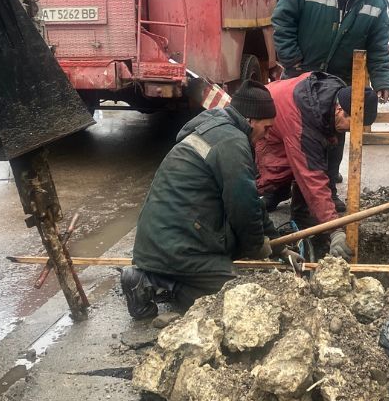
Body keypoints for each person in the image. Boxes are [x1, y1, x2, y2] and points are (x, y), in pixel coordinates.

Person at [120, 82, 292, 319]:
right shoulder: (231, 142)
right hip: (177, 244)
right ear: (251, 120)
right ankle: (150, 281)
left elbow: (250, 198)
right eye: (267, 128)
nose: (267, 135)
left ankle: (157, 276)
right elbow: (243, 207)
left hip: (162, 238)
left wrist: (277, 244)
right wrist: (256, 247)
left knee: (230, 263)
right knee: (231, 293)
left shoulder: (218, 127)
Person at [271, 0, 389, 212]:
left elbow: (378, 43)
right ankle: (278, 187)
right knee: (293, 135)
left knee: (333, 136)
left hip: (339, 79)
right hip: (301, 75)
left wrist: (383, 77)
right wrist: (292, 59)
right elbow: (282, 20)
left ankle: (325, 189)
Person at [255, 72, 378, 260]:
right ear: (339, 110)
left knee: (308, 164)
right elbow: (311, 177)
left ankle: (302, 218)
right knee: (268, 178)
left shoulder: (332, 98)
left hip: (280, 112)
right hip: (263, 120)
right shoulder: (304, 120)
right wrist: (335, 230)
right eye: (351, 125)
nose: (351, 132)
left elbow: (320, 165)